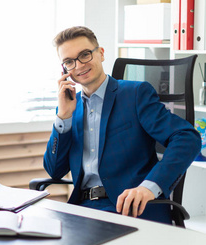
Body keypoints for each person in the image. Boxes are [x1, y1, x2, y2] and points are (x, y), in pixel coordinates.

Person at [43, 26, 201, 224]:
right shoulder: (70, 108)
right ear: (64, 69)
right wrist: (63, 117)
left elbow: (187, 138)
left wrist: (148, 187)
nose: (79, 65)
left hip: (131, 209)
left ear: (100, 54)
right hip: (83, 211)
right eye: (69, 61)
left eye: (85, 55)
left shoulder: (134, 94)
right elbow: (54, 171)